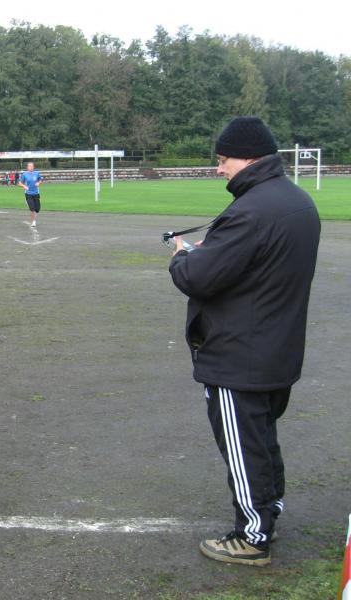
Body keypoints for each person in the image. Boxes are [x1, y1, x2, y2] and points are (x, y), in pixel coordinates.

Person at [168, 116, 320, 566]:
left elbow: (198, 278)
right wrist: (213, 252)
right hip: (276, 347)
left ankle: (253, 536)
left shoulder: (251, 210)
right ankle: (268, 512)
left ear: (248, 157)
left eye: (224, 159)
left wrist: (181, 257)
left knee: (244, 446)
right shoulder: (296, 200)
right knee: (262, 439)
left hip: (241, 354)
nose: (220, 168)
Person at [19, 162, 43, 227]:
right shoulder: (25, 174)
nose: (31, 167)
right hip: (28, 193)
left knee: (37, 209)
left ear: (33, 167)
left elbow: (41, 180)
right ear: (27, 167)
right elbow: (20, 183)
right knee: (32, 208)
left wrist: (38, 183)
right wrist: (24, 186)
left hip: (36, 193)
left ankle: (34, 218)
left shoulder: (37, 173)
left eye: (32, 166)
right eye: (29, 166)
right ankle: (33, 221)